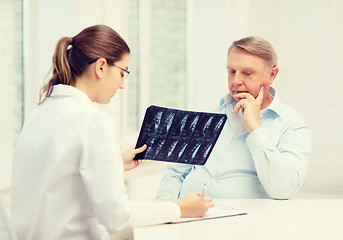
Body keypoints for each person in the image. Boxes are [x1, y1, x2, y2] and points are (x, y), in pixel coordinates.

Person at [11, 25, 214, 240]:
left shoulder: (39, 112)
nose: (122, 85)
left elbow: (59, 179)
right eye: (122, 73)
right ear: (101, 67)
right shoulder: (93, 121)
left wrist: (114, 163)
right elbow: (117, 217)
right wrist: (181, 207)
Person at [156, 36, 311, 200]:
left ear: (272, 75)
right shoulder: (209, 111)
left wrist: (255, 127)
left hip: (245, 222)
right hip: (187, 217)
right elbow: (175, 174)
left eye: (247, 73)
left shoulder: (293, 126)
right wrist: (166, 211)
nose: (236, 81)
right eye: (231, 72)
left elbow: (283, 190)